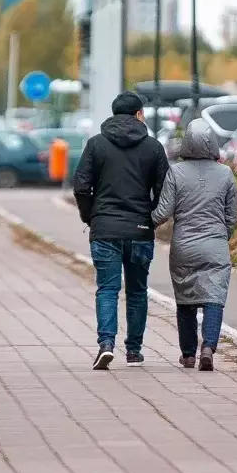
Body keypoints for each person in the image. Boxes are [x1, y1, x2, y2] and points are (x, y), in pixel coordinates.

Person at [73, 91, 170, 370]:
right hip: (140, 230)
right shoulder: (153, 148)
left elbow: (81, 186)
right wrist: (151, 217)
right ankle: (134, 351)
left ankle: (106, 344)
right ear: (139, 114)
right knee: (138, 291)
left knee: (107, 289)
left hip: (104, 229)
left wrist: (91, 216)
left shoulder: (96, 145)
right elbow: (165, 190)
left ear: (114, 114)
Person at [150, 120, 237, 371]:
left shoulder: (176, 173)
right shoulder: (226, 174)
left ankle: (188, 354)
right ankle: (208, 347)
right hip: (215, 245)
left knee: (186, 300)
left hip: (183, 247)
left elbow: (163, 212)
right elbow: (232, 216)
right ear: (212, 143)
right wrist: (222, 236)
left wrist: (142, 221)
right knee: (214, 298)